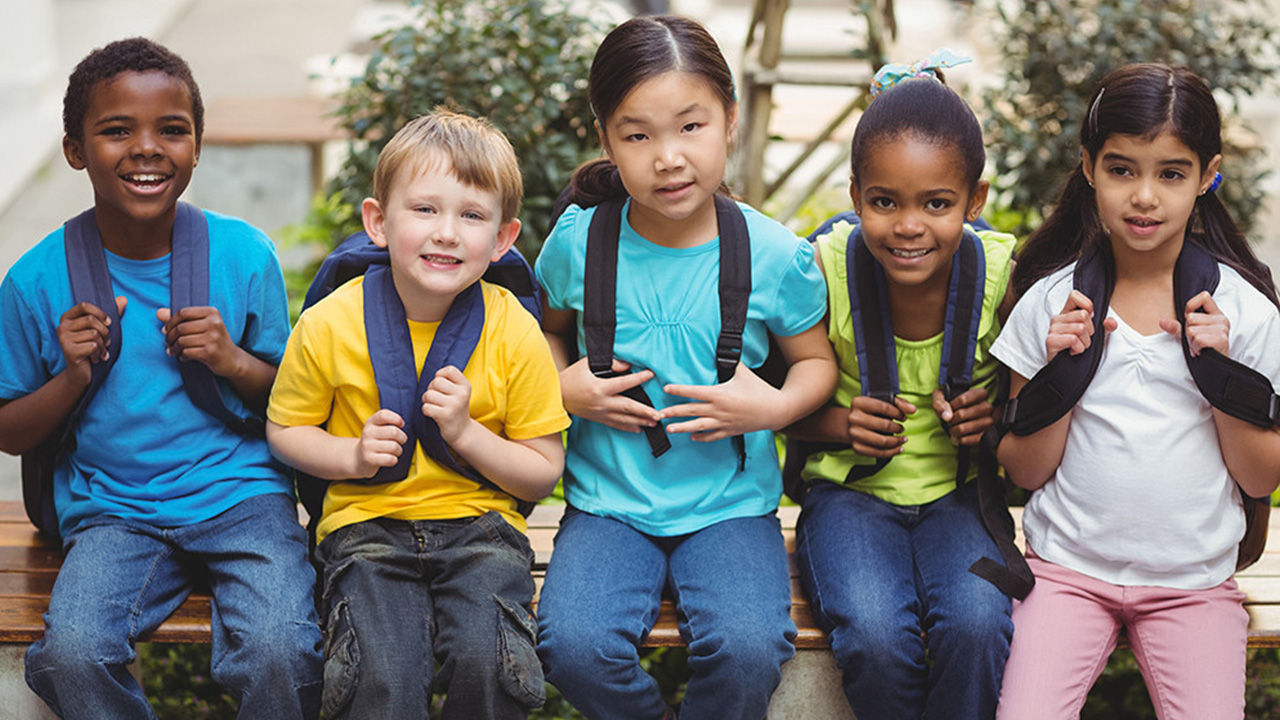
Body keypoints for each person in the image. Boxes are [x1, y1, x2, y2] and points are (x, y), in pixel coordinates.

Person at [0, 38, 322, 719]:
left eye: (171, 130)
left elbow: (296, 400)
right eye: (117, 131)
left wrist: (232, 360)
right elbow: (9, 430)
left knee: (281, 650)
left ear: (197, 146)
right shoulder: (34, 279)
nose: (147, 148)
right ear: (75, 149)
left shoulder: (242, 253)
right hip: (115, 512)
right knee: (71, 654)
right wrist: (73, 375)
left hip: (245, 498)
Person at [533, 15, 838, 720]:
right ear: (606, 139)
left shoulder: (771, 254)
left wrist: (777, 408)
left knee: (750, 646)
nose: (668, 157)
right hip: (608, 503)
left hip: (729, 508)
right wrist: (560, 383)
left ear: (730, 121)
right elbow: (544, 333)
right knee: (574, 644)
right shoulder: (580, 243)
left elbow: (815, 362)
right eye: (637, 135)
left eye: (690, 127)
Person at [993, 63, 1280, 720]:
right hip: (1066, 576)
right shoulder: (1049, 304)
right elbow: (1025, 470)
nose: (1144, 195)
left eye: (1171, 173)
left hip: (1193, 586)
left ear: (1208, 176)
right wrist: (1058, 371)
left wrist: (1223, 377)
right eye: (1122, 169)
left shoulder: (1247, 314)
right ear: (1089, 167)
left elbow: (1261, 478)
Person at [266, 109, 569, 720]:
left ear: (503, 239)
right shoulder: (330, 322)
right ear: (378, 221)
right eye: (425, 209)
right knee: (380, 675)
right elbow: (285, 430)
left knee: (492, 663)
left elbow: (541, 472)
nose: (447, 233)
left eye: (472, 215)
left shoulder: (513, 329)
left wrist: (465, 431)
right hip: (364, 530)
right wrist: (349, 454)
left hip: (483, 531)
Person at [783, 55, 1020, 720]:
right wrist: (838, 424)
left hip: (961, 500)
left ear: (974, 200)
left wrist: (993, 418)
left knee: (978, 625)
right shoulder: (822, 270)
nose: (909, 226)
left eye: (937, 204)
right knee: (874, 632)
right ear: (855, 196)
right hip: (850, 498)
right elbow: (775, 406)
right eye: (884, 202)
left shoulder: (1002, 277)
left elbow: (1039, 406)